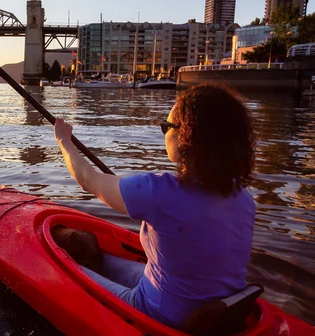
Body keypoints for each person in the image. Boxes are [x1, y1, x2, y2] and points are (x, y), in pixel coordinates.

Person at [53, 83, 256, 330]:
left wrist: (64, 140)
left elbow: (86, 179)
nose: (164, 133)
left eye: (166, 127)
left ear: (186, 136)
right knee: (103, 260)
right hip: (216, 312)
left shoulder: (158, 191)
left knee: (61, 265)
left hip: (158, 313)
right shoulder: (244, 198)